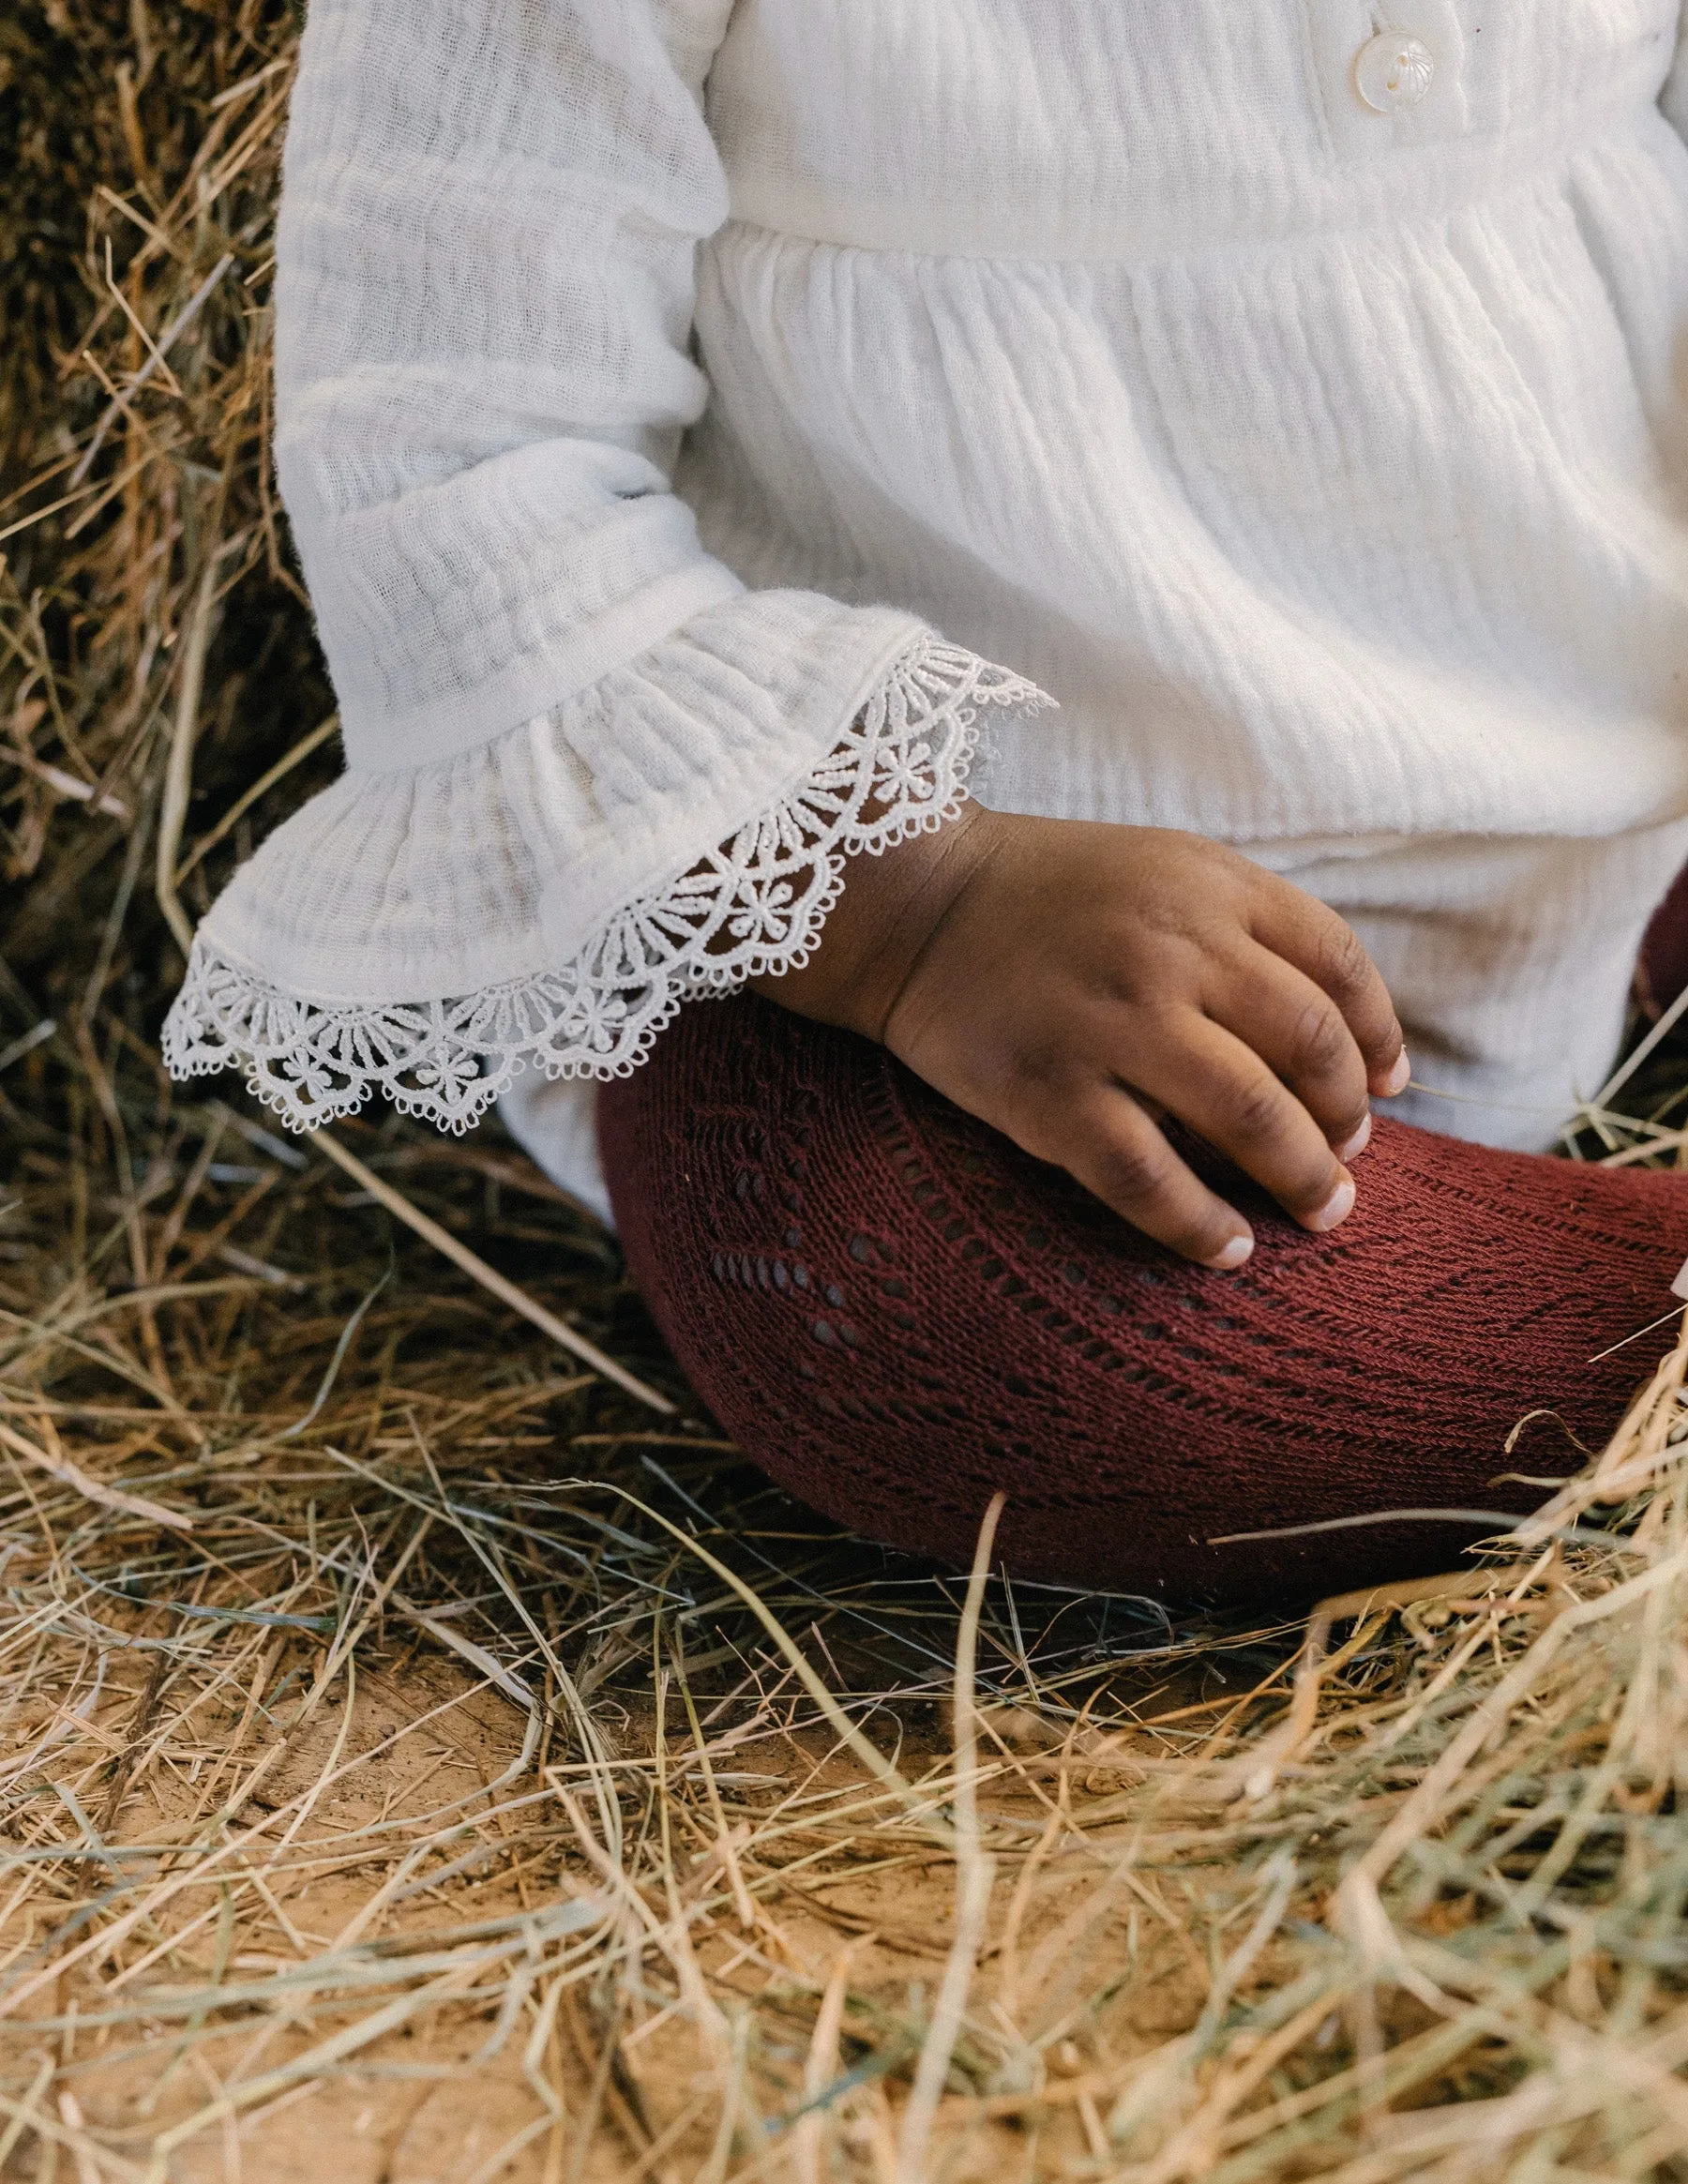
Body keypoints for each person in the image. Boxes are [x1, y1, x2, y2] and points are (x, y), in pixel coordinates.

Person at [165, 2, 1688, 1604]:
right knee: (942, 1335)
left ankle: (1559, 1257)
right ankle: (1608, 1304)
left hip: (1599, 808)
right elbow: (453, 454)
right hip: (906, 964)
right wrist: (913, 901)